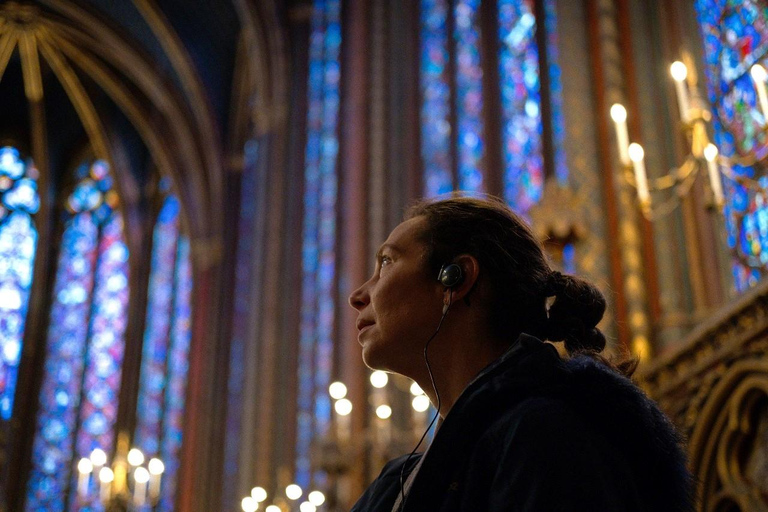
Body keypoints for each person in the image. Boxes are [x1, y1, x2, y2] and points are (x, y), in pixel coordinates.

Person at [348, 196, 694, 512]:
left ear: (455, 279)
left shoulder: (549, 439)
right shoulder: (394, 485)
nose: (358, 296)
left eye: (387, 262)